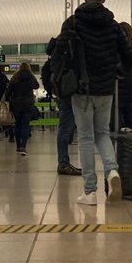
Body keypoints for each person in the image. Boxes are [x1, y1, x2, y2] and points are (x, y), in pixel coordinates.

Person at [55, 0, 132, 205]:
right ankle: (112, 172)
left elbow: (58, 54)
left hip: (81, 89)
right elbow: (130, 57)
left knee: (86, 137)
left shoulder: (72, 24)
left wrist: (59, 81)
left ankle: (90, 192)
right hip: (106, 89)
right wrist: (118, 73)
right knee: (103, 133)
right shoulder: (113, 26)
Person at [46, 37, 82, 176]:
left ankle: (63, 162)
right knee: (67, 128)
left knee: (65, 128)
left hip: (63, 91)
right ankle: (63, 163)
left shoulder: (55, 49)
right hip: (71, 91)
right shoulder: (68, 47)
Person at [5, 62, 39, 156]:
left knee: (17, 125)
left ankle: (18, 146)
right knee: (25, 125)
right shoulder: (31, 77)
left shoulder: (15, 77)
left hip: (16, 104)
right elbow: (37, 86)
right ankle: (23, 146)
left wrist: (8, 101)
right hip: (28, 104)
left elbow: (8, 92)